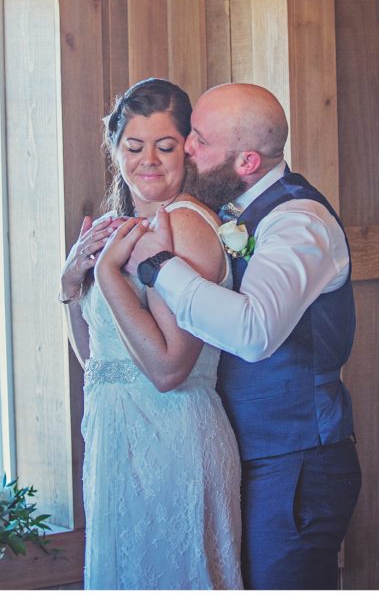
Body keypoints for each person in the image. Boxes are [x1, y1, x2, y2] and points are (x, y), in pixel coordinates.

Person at [119, 82, 362, 591]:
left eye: (201, 141)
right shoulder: (231, 212)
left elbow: (254, 333)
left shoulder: (299, 223)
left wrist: (158, 266)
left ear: (247, 162)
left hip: (296, 461)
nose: (186, 147)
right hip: (237, 454)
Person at [58, 78, 242, 591]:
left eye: (165, 146)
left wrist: (108, 277)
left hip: (173, 438)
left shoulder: (186, 226)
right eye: (135, 146)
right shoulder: (115, 228)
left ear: (188, 148)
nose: (149, 161)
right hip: (114, 443)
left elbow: (168, 369)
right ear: (115, 149)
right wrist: (70, 286)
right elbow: (99, 363)